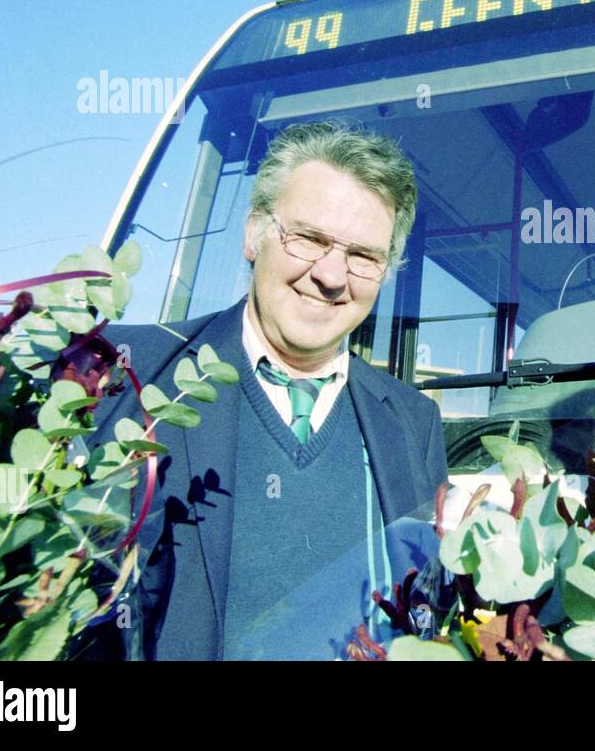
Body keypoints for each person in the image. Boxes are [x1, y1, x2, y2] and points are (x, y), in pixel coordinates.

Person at [93, 121, 447, 660]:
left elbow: (429, 610)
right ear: (254, 233)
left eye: (363, 255)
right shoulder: (127, 373)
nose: (331, 275)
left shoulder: (413, 421)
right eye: (308, 238)